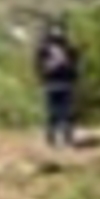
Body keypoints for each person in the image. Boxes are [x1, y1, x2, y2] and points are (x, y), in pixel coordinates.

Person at [35, 20, 80, 149]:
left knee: (68, 113)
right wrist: (43, 77)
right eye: (55, 29)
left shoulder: (69, 47)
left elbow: (76, 63)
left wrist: (72, 74)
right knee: (52, 114)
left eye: (59, 29)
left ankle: (68, 139)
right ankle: (51, 139)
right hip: (50, 83)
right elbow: (37, 65)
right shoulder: (43, 47)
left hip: (66, 82)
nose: (57, 32)